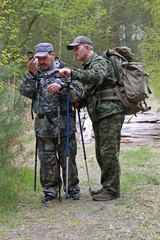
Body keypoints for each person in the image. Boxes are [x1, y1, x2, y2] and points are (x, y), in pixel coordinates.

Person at [55, 36, 125, 201]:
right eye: (73, 50)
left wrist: (73, 73)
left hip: (110, 112)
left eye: (77, 48)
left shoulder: (99, 61)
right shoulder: (86, 66)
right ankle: (107, 185)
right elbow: (89, 89)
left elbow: (97, 77)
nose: (75, 52)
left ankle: (113, 190)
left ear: (87, 47)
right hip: (100, 114)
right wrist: (79, 102)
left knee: (109, 152)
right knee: (101, 153)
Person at [20, 42, 82, 203]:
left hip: (64, 125)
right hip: (43, 126)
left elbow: (78, 94)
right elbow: (25, 91)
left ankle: (72, 189)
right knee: (47, 160)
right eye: (38, 58)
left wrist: (62, 87)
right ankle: (50, 190)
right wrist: (30, 73)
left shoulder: (64, 71)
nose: (41, 62)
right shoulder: (34, 73)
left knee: (67, 158)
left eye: (44, 58)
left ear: (52, 55)